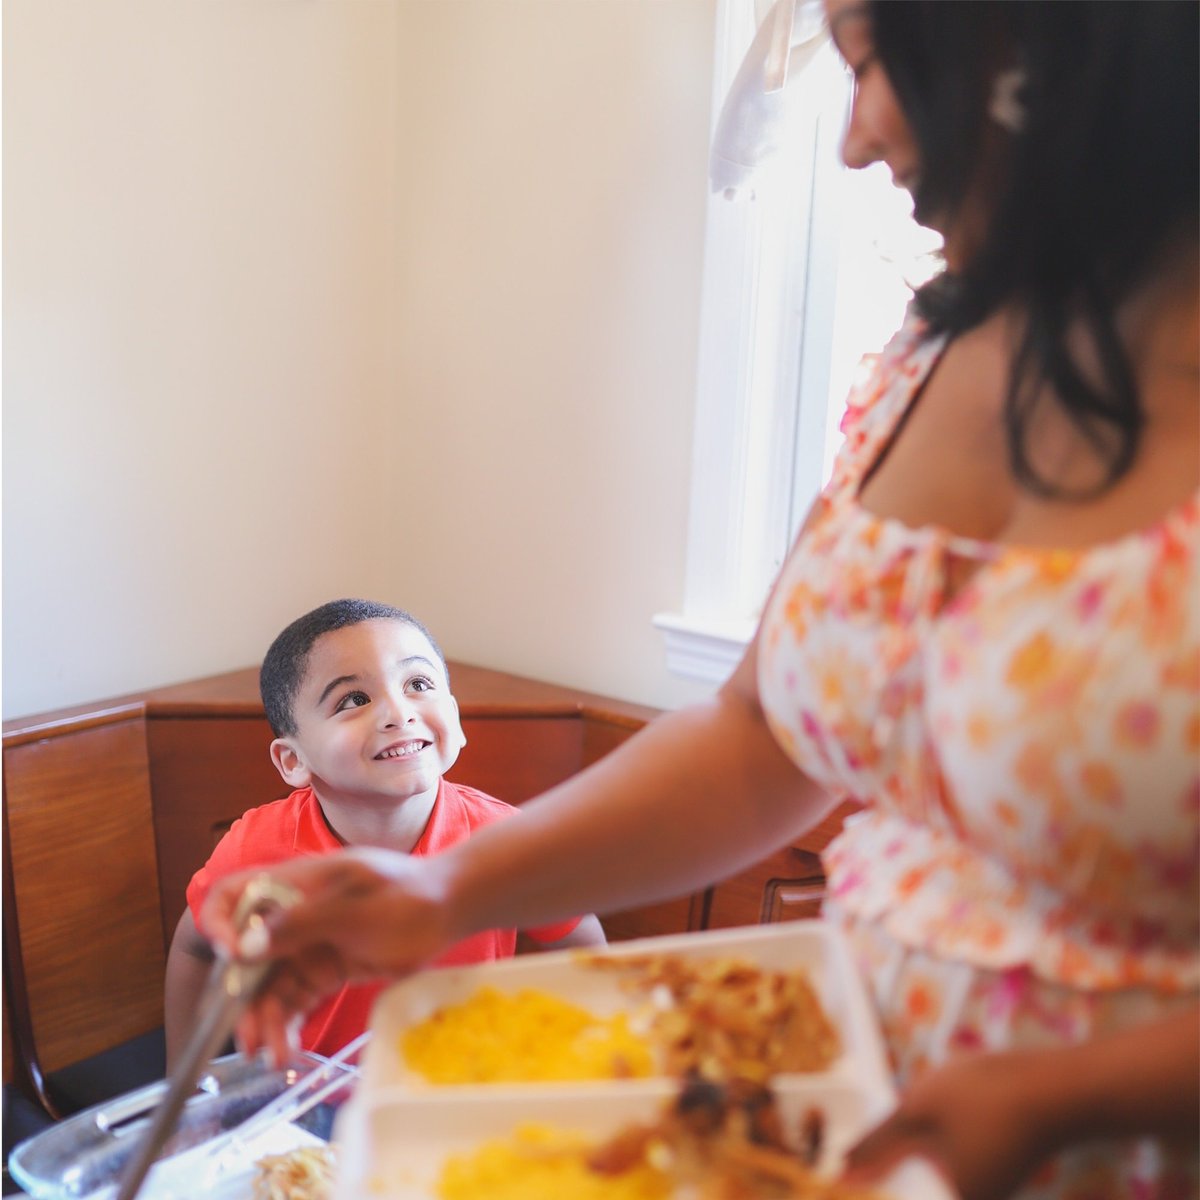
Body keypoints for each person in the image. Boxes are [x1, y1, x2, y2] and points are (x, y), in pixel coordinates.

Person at [200, 4, 1199, 1197]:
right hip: (863, 1118)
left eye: (880, 63)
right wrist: (445, 890)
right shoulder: (923, 363)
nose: (855, 141)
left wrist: (1059, 1097)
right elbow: (761, 737)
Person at [164, 598, 605, 1065]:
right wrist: (188, 1088)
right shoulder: (257, 849)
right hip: (313, 1103)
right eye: (353, 699)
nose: (398, 712)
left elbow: (580, 941)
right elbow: (196, 949)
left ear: (454, 718)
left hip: (456, 1098)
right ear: (293, 760)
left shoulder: (505, 843)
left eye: (418, 684)